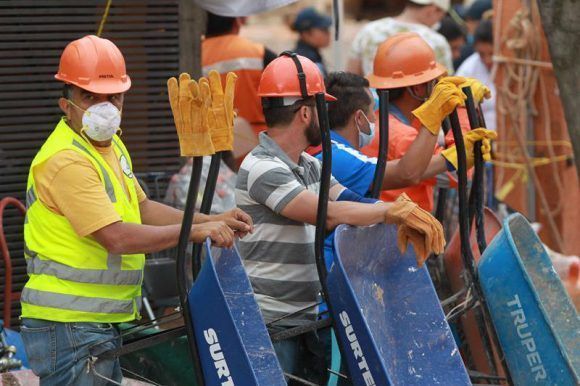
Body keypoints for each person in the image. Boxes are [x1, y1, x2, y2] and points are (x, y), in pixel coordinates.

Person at [19, 35, 253, 384]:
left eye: (113, 96)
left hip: (93, 322)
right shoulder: (67, 160)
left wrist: (212, 219)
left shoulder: (109, 146)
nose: (105, 107)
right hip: (68, 323)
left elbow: (141, 207)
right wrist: (194, 230)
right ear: (66, 104)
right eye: (90, 96)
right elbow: (116, 236)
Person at [236, 52, 446, 385]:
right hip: (273, 322)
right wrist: (390, 211)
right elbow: (328, 213)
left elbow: (349, 201)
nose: (328, 114)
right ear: (305, 112)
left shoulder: (309, 165)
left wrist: (398, 217)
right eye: (322, 107)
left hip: (307, 315)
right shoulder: (261, 167)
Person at [310, 71, 496, 267]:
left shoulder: (379, 129)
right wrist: (463, 112)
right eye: (373, 110)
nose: (375, 116)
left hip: (374, 240)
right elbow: (414, 172)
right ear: (417, 88)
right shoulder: (388, 137)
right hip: (381, 249)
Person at [361, 32, 495, 211]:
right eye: (433, 81)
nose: (438, 85)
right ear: (417, 87)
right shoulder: (401, 136)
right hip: (401, 232)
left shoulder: (383, 121)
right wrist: (463, 108)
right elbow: (458, 173)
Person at [202, 12, 278, 142]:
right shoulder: (260, 53)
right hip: (258, 145)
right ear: (237, 21)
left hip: (211, 146)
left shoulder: (193, 56)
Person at [348, 0, 453, 77]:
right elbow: (445, 85)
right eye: (441, 16)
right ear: (432, 10)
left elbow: (351, 77)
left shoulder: (368, 31)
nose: (439, 22)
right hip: (419, 106)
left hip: (371, 104)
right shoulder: (437, 41)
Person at [457, 19, 496, 130]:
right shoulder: (468, 69)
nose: (487, 60)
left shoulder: (512, 66)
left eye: (491, 53)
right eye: (481, 54)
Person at [292, 7, 332, 76]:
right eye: (324, 29)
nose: (328, 33)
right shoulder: (305, 62)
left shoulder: (312, 55)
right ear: (306, 34)